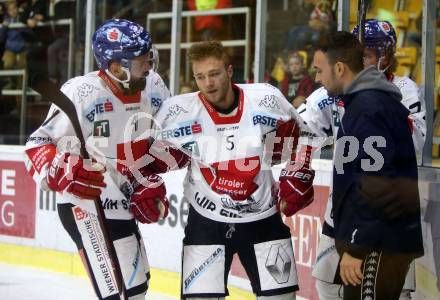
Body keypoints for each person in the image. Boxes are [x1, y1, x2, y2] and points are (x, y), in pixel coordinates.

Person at [151, 40, 316, 299]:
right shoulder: (177, 111)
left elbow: (306, 135)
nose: (208, 83)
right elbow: (140, 154)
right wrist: (146, 184)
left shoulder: (266, 98)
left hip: (263, 218)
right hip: (206, 222)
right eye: (200, 77)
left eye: (214, 74)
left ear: (229, 71)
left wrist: (298, 170)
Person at [24, 19, 171, 300]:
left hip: (123, 200)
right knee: (123, 293)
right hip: (86, 203)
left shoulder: (154, 85)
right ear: (115, 66)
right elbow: (37, 144)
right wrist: (58, 170)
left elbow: (162, 141)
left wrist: (148, 180)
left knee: (136, 289)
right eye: (139, 60)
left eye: (148, 56)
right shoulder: (81, 93)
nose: (149, 65)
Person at [302, 20, 426, 300]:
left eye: (320, 71)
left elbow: (376, 182)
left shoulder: (369, 107)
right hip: (373, 237)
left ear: (340, 68)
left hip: (378, 242)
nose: (318, 79)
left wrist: (357, 248)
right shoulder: (361, 103)